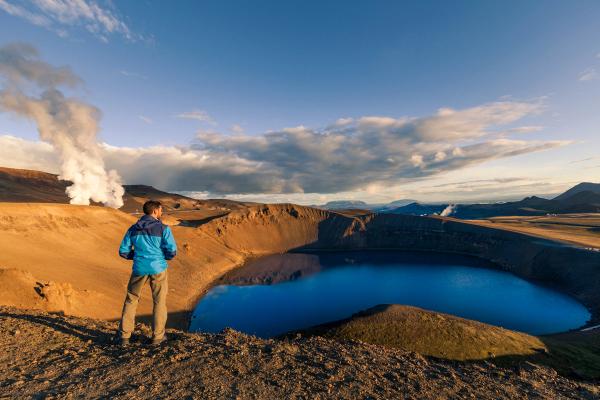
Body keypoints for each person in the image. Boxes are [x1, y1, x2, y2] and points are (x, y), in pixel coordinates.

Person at [117, 200, 177, 346]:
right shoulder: (163, 228)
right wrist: (161, 257)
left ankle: (124, 337)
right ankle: (157, 337)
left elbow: (123, 251)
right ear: (155, 211)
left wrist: (137, 256)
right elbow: (172, 251)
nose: (161, 213)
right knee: (159, 302)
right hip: (158, 268)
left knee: (131, 300)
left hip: (139, 269)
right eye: (161, 210)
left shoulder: (132, 229)